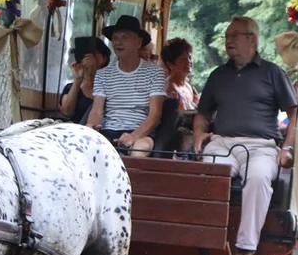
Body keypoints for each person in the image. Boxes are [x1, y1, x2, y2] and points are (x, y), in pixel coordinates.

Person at [192, 16, 298, 255]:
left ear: (252, 39)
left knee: (259, 178)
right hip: (222, 143)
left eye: (234, 35)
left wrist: (287, 148)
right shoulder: (218, 75)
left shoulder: (272, 72)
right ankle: (207, 245)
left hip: (261, 146)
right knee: (209, 175)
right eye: (227, 36)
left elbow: (294, 113)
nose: (229, 41)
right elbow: (202, 113)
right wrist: (198, 135)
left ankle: (246, 251)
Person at [86, 15, 166, 156]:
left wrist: (134, 136)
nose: (118, 42)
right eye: (115, 38)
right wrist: (90, 127)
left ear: (138, 42)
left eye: (125, 38)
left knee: (139, 149)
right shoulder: (103, 74)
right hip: (108, 132)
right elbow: (96, 111)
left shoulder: (155, 72)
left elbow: (155, 115)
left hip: (140, 133)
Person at [60, 37, 111, 124]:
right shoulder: (70, 87)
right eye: (85, 54)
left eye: (95, 54)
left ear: (104, 59)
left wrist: (96, 72)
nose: (89, 58)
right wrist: (77, 81)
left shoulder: (111, 86)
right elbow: (67, 112)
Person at [161, 38, 198, 111]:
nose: (189, 61)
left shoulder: (188, 87)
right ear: (170, 64)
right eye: (183, 59)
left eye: (190, 57)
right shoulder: (168, 90)